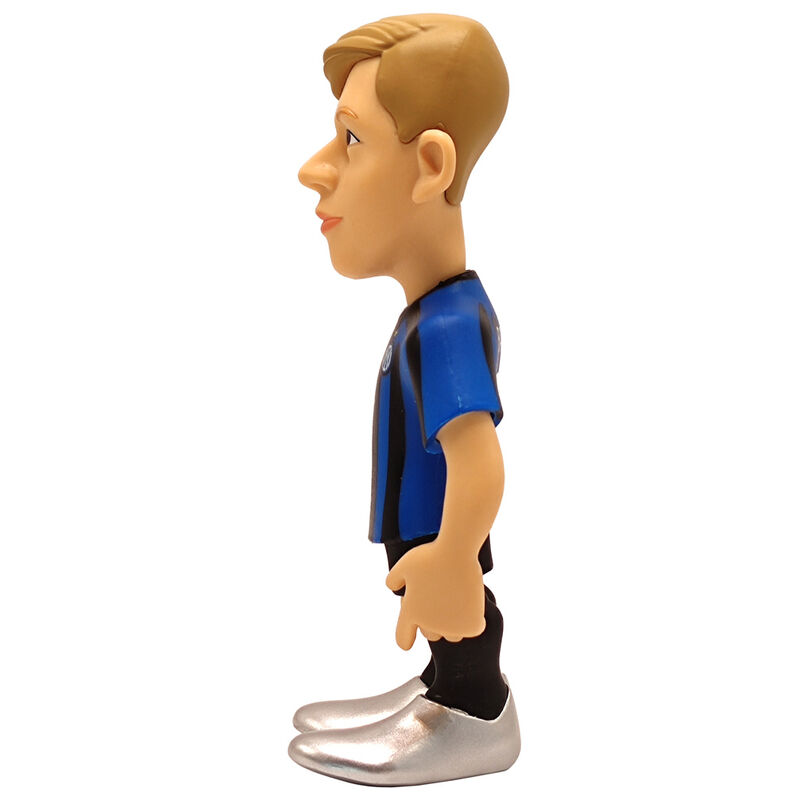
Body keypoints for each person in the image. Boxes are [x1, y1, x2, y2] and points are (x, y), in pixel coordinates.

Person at [289, 14, 520, 785]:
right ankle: (440, 688)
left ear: (429, 165)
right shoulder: (434, 312)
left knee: (459, 613)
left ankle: (475, 712)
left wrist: (454, 555)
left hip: (436, 530)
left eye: (351, 139)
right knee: (437, 617)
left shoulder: (447, 326)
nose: (315, 169)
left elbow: (479, 459)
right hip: (424, 527)